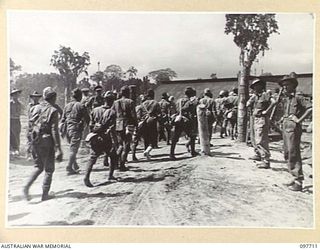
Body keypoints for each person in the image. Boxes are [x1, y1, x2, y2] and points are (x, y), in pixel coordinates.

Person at [23, 87, 63, 201]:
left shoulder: (34, 108)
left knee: (38, 167)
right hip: (46, 141)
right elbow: (54, 130)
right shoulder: (53, 110)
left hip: (35, 140)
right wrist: (58, 148)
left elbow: (29, 126)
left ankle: (26, 187)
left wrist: (29, 143)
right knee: (49, 169)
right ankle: (45, 194)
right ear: (53, 98)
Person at [279, 73, 312, 191]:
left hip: (293, 128)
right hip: (286, 126)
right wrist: (283, 118)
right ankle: (293, 177)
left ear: (293, 85)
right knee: (287, 153)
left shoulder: (298, 97)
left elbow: (310, 108)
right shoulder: (288, 99)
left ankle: (299, 181)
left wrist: (299, 120)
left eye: (287, 85)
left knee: (293, 153)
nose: (284, 87)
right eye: (283, 85)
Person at [84, 91, 118, 187]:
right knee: (113, 156)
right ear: (112, 101)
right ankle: (110, 176)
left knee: (92, 157)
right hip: (105, 138)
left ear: (104, 100)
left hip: (95, 137)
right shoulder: (112, 112)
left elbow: (90, 125)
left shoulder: (95, 110)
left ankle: (86, 176)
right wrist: (115, 142)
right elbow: (112, 129)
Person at [246, 79, 275, 169]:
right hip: (255, 118)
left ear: (261, 86)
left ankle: (266, 160)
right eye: (254, 86)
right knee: (254, 138)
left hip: (262, 119)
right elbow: (247, 104)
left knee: (261, 139)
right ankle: (258, 154)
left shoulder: (265, 95)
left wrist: (266, 111)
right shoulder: (255, 96)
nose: (255, 88)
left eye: (257, 85)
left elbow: (274, 102)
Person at [61, 88, 90, 175]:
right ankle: (69, 167)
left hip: (67, 129)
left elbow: (62, 119)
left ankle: (75, 165)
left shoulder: (67, 106)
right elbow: (88, 119)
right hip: (76, 129)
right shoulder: (81, 106)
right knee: (74, 149)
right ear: (80, 96)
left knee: (72, 148)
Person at [112, 86, 137, 171]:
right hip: (128, 124)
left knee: (120, 145)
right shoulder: (130, 101)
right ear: (127, 93)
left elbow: (112, 113)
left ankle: (115, 163)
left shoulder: (115, 102)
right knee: (126, 144)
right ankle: (122, 164)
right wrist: (136, 124)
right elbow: (133, 115)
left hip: (118, 124)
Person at [170, 87, 199, 160]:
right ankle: (192, 151)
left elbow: (175, 110)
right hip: (186, 121)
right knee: (192, 136)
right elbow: (191, 111)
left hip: (178, 119)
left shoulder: (178, 101)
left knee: (175, 137)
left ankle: (171, 154)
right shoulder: (190, 101)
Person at [141, 89, 161, 160]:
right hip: (152, 121)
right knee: (153, 138)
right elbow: (159, 113)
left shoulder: (143, 103)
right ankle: (147, 151)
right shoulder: (155, 103)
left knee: (146, 137)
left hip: (144, 121)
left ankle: (146, 151)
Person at [26, 91, 42, 160]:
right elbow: (29, 115)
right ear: (32, 98)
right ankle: (28, 154)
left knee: (36, 139)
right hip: (30, 124)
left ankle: (35, 154)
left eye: (37, 97)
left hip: (37, 124)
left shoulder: (40, 106)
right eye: (34, 97)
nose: (35, 98)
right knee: (29, 139)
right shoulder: (29, 105)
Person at [131, 94, 147, 162]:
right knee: (137, 140)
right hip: (140, 124)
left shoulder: (136, 107)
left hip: (137, 124)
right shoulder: (141, 107)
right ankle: (134, 156)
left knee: (135, 140)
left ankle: (133, 155)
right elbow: (138, 116)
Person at [10, 88, 22, 156]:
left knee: (17, 135)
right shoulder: (10, 103)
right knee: (11, 135)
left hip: (17, 120)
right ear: (12, 95)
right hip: (11, 120)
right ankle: (11, 150)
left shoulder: (19, 104)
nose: (16, 96)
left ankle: (17, 150)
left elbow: (19, 112)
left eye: (17, 94)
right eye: (15, 94)